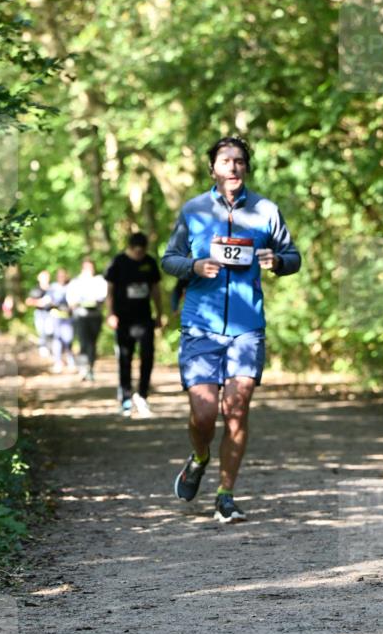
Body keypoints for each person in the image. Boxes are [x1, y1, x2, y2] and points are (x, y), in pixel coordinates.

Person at [161, 136, 301, 523]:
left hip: (246, 326)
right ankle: (199, 457)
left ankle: (226, 495)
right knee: (204, 414)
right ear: (213, 169)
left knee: (236, 410)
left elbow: (293, 256)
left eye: (239, 161)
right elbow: (169, 259)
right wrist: (194, 266)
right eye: (225, 161)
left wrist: (278, 260)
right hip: (200, 326)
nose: (233, 167)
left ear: (246, 168)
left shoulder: (265, 211)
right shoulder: (193, 210)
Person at [105, 233, 162, 417]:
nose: (139, 255)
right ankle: (125, 398)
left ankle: (143, 394)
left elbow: (156, 289)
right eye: (136, 251)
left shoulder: (150, 262)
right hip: (123, 320)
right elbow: (110, 291)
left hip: (144, 319)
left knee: (148, 356)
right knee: (124, 358)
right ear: (130, 248)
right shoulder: (118, 262)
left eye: (142, 252)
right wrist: (110, 314)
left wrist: (159, 313)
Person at [66, 258, 108, 381]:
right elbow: (71, 301)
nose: (89, 270)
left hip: (95, 316)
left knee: (92, 344)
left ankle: (90, 368)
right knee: (83, 343)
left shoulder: (100, 281)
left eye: (91, 267)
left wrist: (96, 301)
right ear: (82, 268)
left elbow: (105, 296)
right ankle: (83, 369)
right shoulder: (76, 282)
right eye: (87, 267)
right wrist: (78, 303)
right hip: (80, 316)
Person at [48, 268, 76, 374]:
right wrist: (56, 305)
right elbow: (48, 300)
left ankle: (71, 361)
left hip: (67, 318)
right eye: (59, 276)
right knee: (57, 340)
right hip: (56, 318)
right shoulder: (53, 287)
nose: (61, 277)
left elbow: (74, 302)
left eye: (63, 275)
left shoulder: (71, 286)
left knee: (68, 340)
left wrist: (70, 308)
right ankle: (58, 362)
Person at [25, 269, 53, 357]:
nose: (45, 279)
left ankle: (50, 349)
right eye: (43, 278)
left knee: (50, 332)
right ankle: (43, 348)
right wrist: (39, 302)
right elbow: (28, 301)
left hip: (51, 313)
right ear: (39, 278)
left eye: (46, 277)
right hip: (40, 313)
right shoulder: (36, 290)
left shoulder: (52, 289)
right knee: (42, 332)